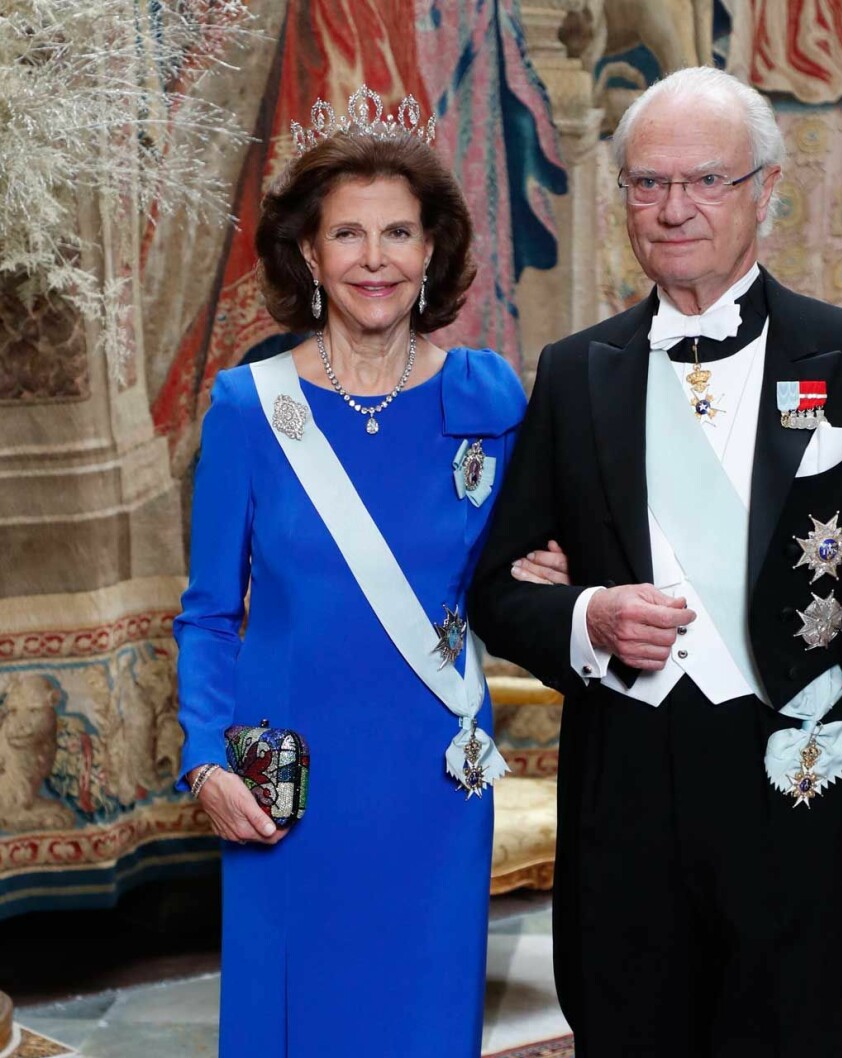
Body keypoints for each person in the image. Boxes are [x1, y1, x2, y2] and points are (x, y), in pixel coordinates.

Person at [470, 66, 842, 1058]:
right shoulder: (573, 373)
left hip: (794, 789)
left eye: (706, 180)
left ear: (765, 188)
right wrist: (587, 617)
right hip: (624, 794)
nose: (674, 208)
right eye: (648, 183)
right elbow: (496, 590)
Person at [174, 87, 564, 1058]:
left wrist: (560, 568)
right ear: (308, 254)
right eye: (347, 233)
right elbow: (209, 612)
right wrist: (205, 757)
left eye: (398, 232)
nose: (374, 258)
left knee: (420, 1021)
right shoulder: (249, 406)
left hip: (432, 775)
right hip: (287, 777)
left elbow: (523, 567)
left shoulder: (486, 395)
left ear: (432, 250)